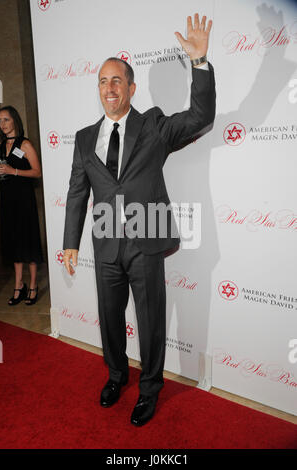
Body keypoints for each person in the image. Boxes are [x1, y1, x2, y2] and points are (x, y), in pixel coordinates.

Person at [63, 13, 216, 426]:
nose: (109, 88)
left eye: (117, 81)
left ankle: (149, 389)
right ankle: (116, 376)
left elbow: (200, 118)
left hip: (147, 242)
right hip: (106, 243)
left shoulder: (153, 126)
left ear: (131, 88)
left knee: (150, 322)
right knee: (110, 320)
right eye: (102, 81)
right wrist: (71, 243)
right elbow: (78, 192)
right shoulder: (83, 138)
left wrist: (200, 64)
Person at [0, 106, 43, 306]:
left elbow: (37, 172)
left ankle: (33, 285)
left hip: (24, 200)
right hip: (7, 200)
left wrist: (13, 170)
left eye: (6, 119)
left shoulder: (24, 144)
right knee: (14, 243)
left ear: (15, 120)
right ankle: (19, 286)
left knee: (28, 242)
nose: (2, 124)